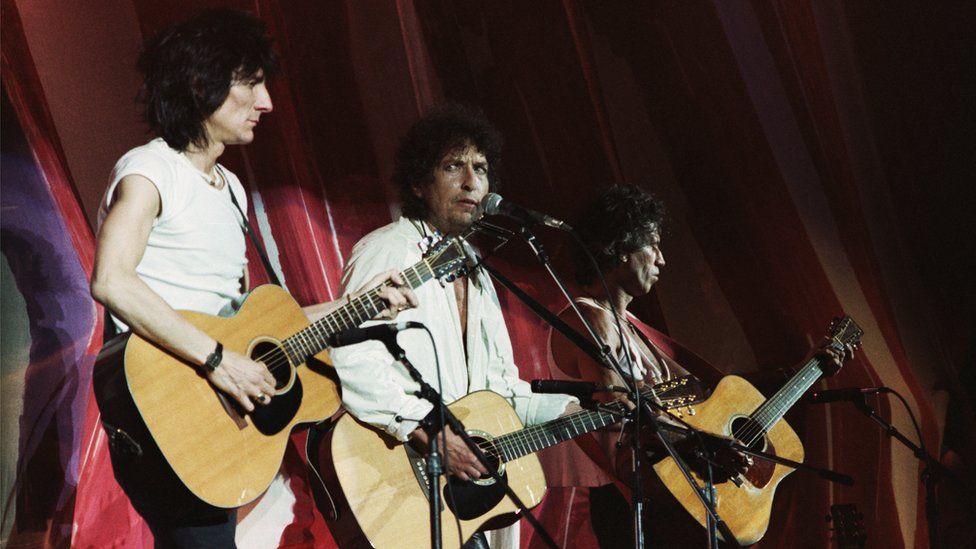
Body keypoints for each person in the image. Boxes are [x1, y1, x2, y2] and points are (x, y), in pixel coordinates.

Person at [90, 9, 415, 547]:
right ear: (201, 84)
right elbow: (111, 282)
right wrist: (218, 362)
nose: (266, 103)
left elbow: (255, 330)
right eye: (252, 83)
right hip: (163, 402)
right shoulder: (149, 171)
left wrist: (358, 305)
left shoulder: (231, 190)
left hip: (216, 411)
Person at [543, 184, 853, 548]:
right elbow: (619, 408)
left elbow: (719, 396)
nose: (662, 260)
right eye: (652, 246)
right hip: (636, 501)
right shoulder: (589, 318)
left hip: (674, 490)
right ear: (621, 247)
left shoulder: (635, 328)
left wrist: (804, 370)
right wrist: (702, 445)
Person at [328, 104, 579, 548]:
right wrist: (426, 431)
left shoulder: (477, 271)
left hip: (466, 495)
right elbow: (353, 359)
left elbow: (496, 391)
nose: (471, 182)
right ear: (418, 183)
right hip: (403, 480)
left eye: (480, 168)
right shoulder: (388, 250)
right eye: (452, 166)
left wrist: (572, 411)